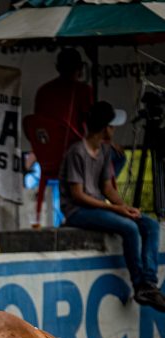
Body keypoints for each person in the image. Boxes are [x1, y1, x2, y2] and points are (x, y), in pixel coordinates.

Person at [59, 100, 164, 312]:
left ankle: (149, 282)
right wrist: (116, 209)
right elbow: (78, 195)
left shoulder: (104, 151)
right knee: (130, 228)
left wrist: (125, 207)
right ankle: (139, 284)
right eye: (112, 126)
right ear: (106, 128)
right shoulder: (77, 151)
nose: (114, 130)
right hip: (78, 211)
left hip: (98, 206)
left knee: (150, 225)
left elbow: (107, 187)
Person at [35, 48, 93, 140]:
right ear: (80, 67)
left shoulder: (43, 90)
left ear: (57, 67)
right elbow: (91, 121)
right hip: (72, 145)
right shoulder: (83, 90)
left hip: (47, 145)